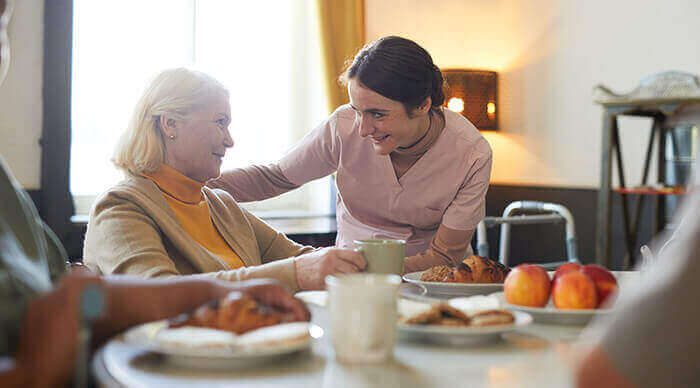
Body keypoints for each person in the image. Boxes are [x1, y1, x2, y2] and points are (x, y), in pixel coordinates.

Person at [209, 36, 493, 273]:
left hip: (428, 283)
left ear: (422, 105)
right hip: (345, 278)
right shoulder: (343, 127)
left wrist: (364, 273)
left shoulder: (472, 155)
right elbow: (272, 178)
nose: (362, 129)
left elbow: (444, 257)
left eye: (377, 114)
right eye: (357, 110)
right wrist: (186, 184)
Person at [83, 68, 365, 290]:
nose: (229, 140)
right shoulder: (120, 207)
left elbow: (302, 258)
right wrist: (294, 274)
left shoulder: (220, 205)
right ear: (170, 123)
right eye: (220, 122)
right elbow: (158, 295)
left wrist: (385, 265)